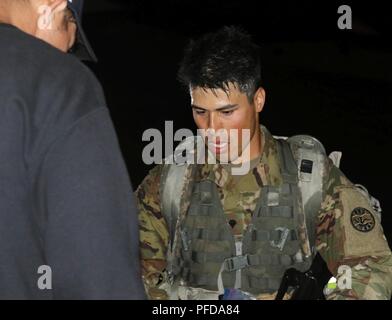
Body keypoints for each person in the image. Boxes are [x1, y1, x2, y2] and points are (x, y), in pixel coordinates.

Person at [137, 26, 392, 300]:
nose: (212, 128)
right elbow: (126, 264)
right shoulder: (173, 179)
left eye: (227, 112)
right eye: (200, 112)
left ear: (257, 100)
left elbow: (370, 265)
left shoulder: (309, 177)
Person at [0, 0, 145, 299]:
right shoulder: (56, 82)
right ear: (50, 6)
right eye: (67, 45)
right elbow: (98, 276)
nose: (63, 57)